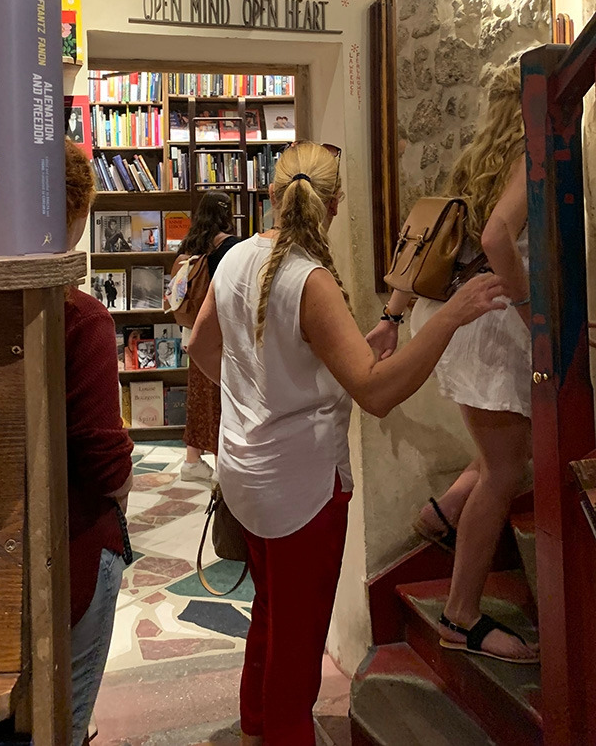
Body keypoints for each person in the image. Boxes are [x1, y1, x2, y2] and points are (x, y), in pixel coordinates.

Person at [187, 141, 508, 745]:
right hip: (301, 488)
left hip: (245, 471)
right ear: (334, 205)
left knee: (269, 613)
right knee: (299, 641)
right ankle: (282, 733)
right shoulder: (310, 279)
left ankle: (255, 728)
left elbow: (205, 347)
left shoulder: (234, 258)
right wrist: (449, 315)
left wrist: (259, 397)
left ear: (272, 195)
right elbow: (377, 393)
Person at [370, 59, 538, 665]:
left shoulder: (477, 159)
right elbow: (494, 239)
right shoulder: (527, 157)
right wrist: (533, 311)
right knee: (504, 471)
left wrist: (391, 317)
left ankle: (440, 513)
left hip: (462, 321)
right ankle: (461, 615)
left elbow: (429, 240)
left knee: (504, 448)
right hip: (491, 323)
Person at [64, 138, 134, 746]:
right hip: (78, 544)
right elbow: (106, 463)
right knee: (66, 715)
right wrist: (127, 484)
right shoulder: (83, 318)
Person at [176, 191, 239, 484]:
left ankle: (192, 461)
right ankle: (220, 466)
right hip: (221, 332)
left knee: (199, 396)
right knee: (220, 398)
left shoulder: (189, 245)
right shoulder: (231, 247)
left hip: (191, 331)